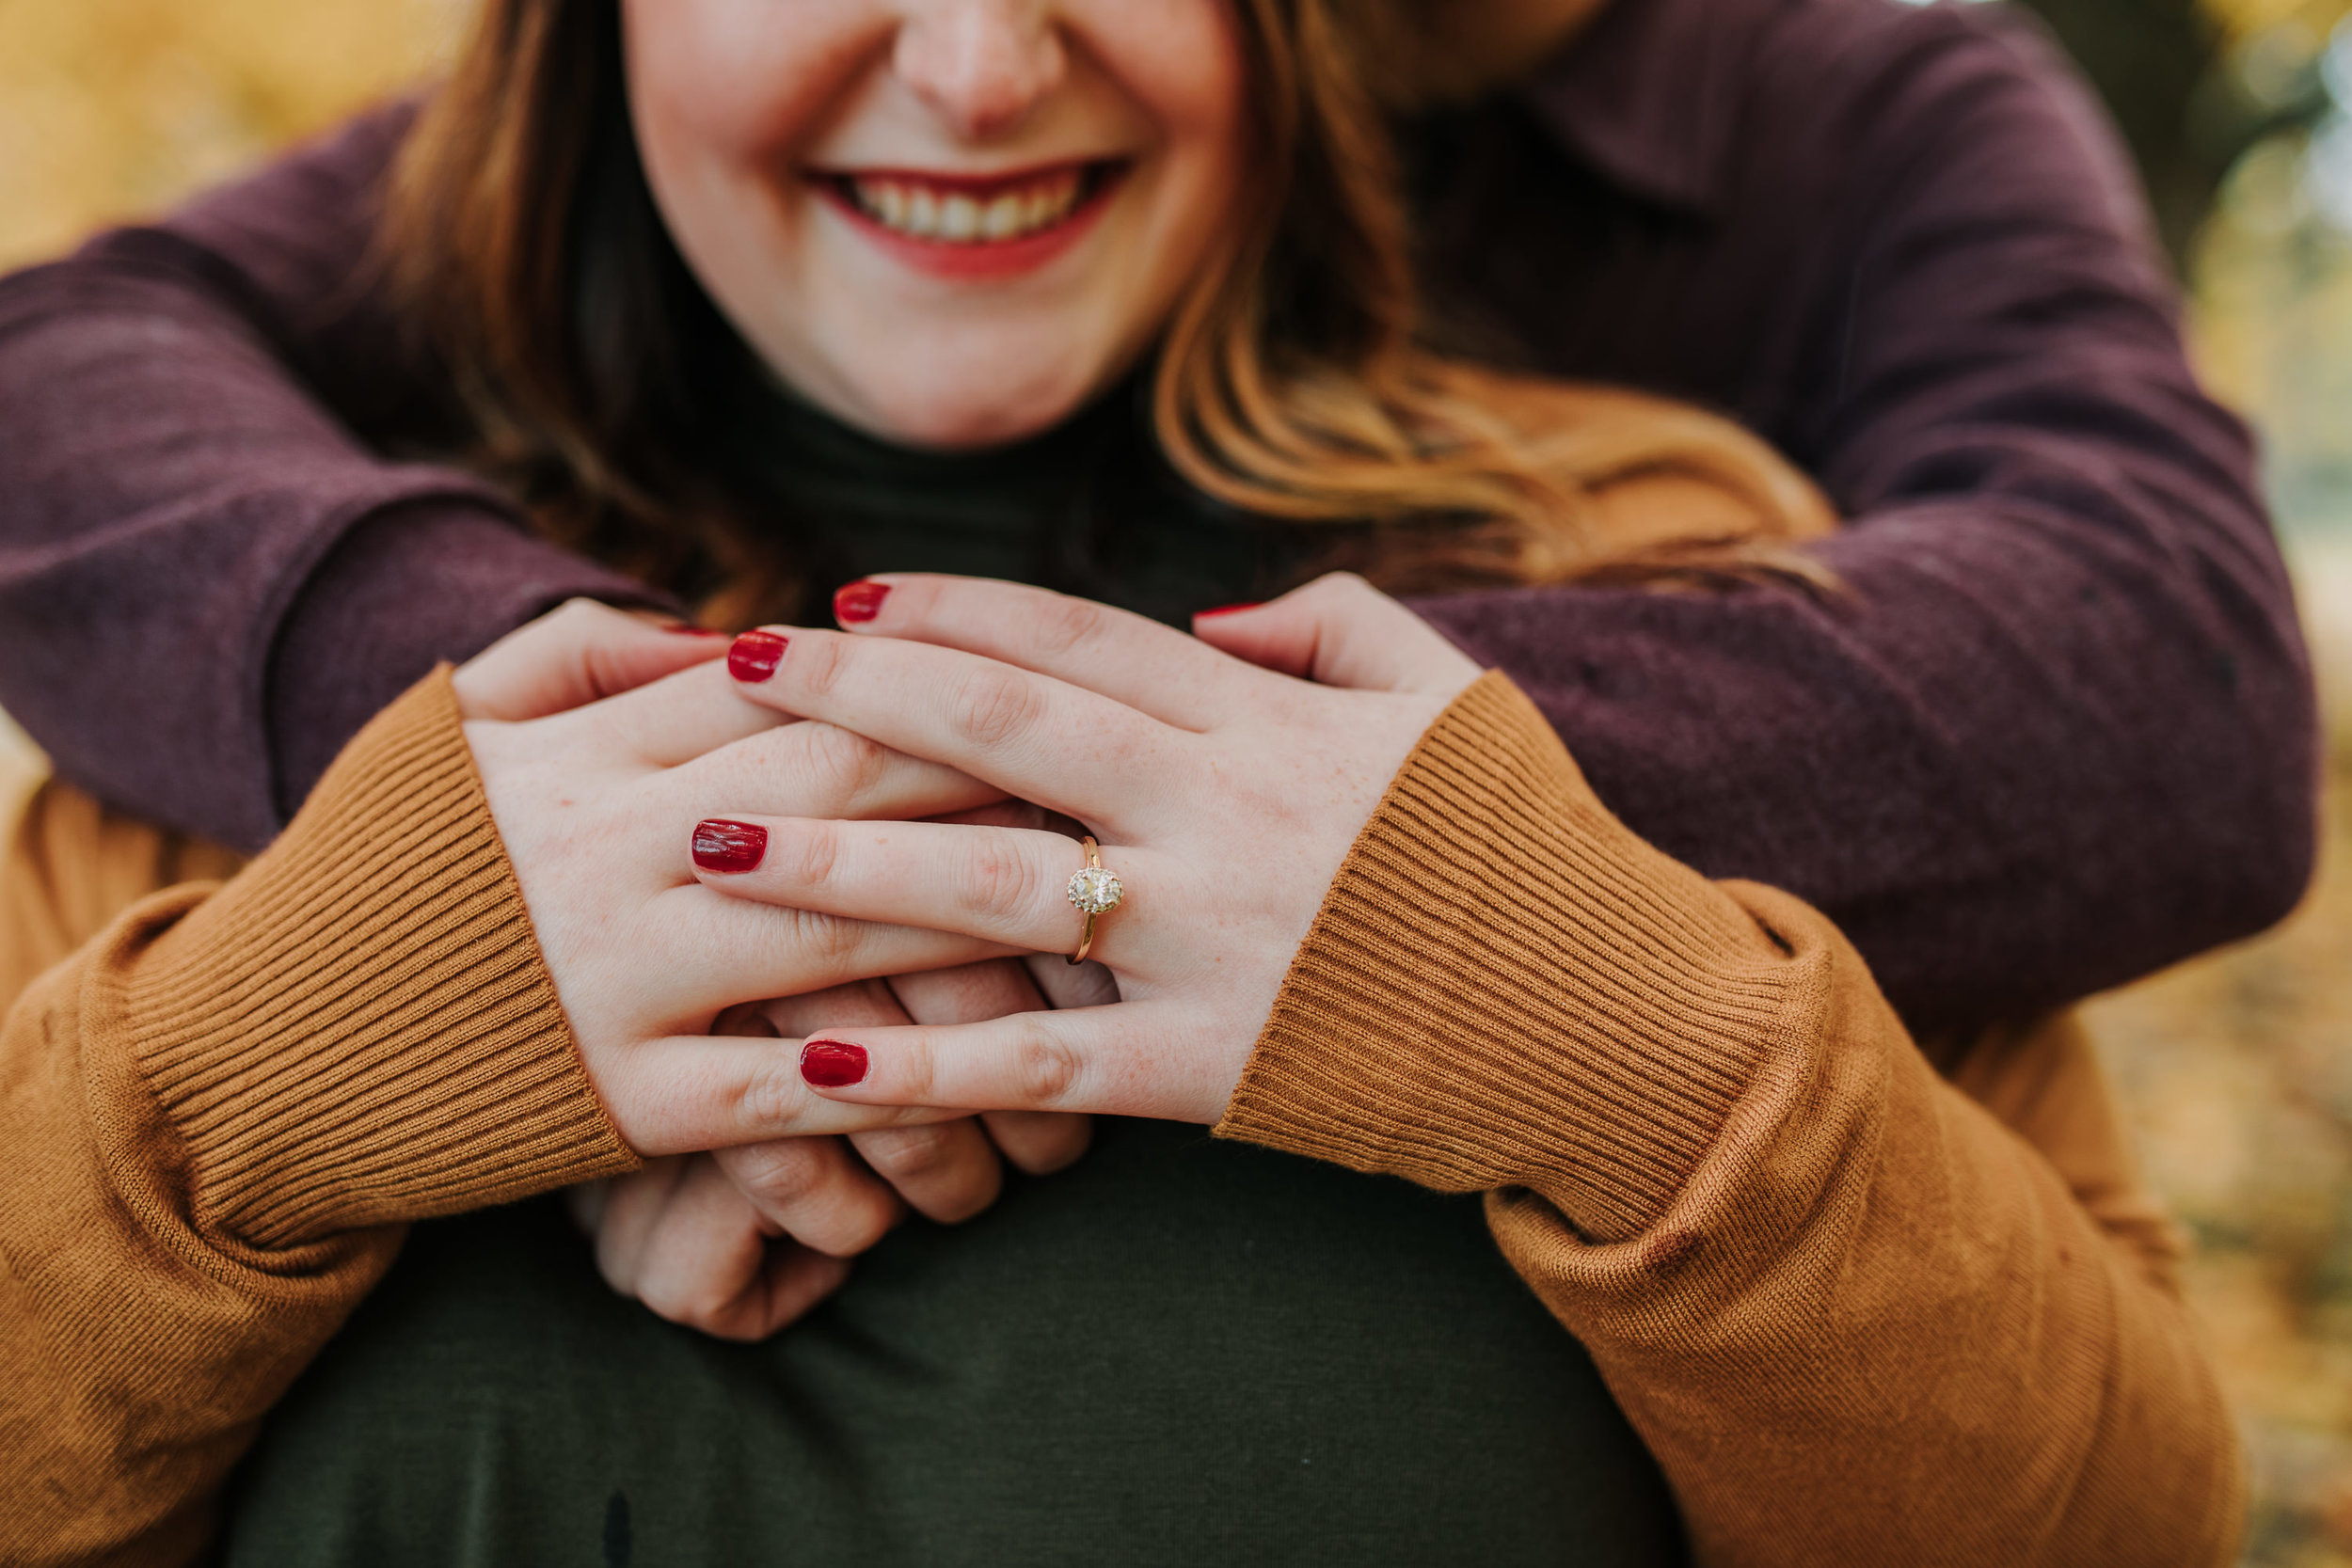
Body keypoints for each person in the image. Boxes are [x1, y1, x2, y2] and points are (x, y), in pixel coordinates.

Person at [0, 0, 2313, 1561]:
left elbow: (2127, 1524)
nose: (985, 68)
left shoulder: (1681, 567)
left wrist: (1622, 1045)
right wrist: (239, 1092)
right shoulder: (256, 682)